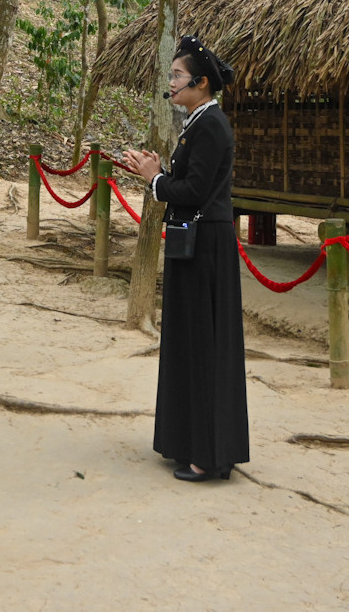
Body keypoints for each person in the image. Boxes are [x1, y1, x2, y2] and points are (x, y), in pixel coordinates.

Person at [115, 35, 249, 483]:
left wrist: (155, 179)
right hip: (194, 242)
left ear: (202, 82)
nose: (170, 83)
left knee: (204, 343)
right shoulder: (198, 122)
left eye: (177, 75)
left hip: (207, 247)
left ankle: (210, 454)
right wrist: (158, 173)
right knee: (188, 340)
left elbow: (193, 193)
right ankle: (186, 441)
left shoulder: (211, 125)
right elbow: (191, 183)